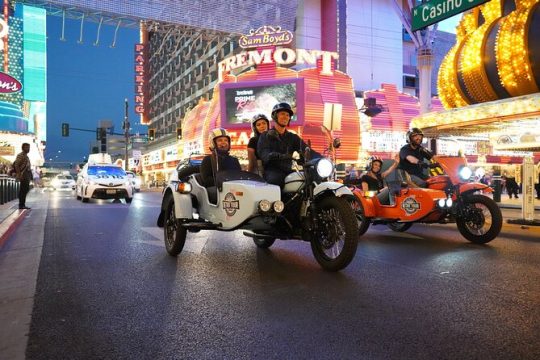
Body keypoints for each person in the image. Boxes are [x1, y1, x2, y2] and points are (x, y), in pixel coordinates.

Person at [257, 102, 320, 188]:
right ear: (275, 116)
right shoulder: (265, 136)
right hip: (272, 171)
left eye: (288, 115)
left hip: (288, 170)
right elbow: (265, 155)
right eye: (282, 114)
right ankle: (277, 202)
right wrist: (280, 156)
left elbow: (307, 150)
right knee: (276, 180)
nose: (286, 117)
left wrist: (321, 158)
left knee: (308, 179)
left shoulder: (292, 137)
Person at [12, 143, 32, 210]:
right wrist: (19, 174)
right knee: (23, 190)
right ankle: (21, 205)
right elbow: (16, 165)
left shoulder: (26, 156)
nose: (28, 149)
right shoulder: (20, 155)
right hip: (23, 174)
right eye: (26, 147)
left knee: (25, 189)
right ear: (23, 148)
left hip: (27, 174)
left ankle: (22, 204)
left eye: (28, 147)